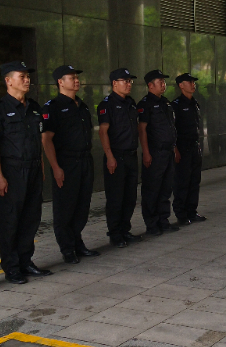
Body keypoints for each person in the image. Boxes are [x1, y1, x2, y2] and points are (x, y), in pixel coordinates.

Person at [0, 61, 53, 285]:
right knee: (10, 220)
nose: (27, 80)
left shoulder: (34, 107)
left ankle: (26, 261)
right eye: (22, 76)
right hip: (12, 171)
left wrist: (41, 168)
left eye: (27, 76)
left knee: (31, 219)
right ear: (8, 80)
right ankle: (12, 267)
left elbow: (38, 141)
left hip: (33, 169)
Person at [41, 65, 99, 265]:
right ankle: (67, 249)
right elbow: (46, 140)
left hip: (84, 161)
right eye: (71, 77)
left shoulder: (81, 105)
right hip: (66, 162)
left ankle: (77, 242)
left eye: (77, 77)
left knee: (82, 206)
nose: (76, 81)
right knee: (65, 208)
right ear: (60, 82)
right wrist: (56, 167)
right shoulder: (53, 107)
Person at [98, 68, 143, 248]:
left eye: (130, 81)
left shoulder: (131, 103)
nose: (129, 84)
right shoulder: (107, 104)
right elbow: (103, 132)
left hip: (131, 155)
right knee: (116, 198)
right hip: (116, 156)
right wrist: (109, 156)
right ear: (114, 83)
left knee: (130, 197)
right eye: (125, 81)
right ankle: (115, 233)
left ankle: (125, 229)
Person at [138, 70, 180, 236]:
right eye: (160, 82)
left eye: (164, 82)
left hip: (168, 152)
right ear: (150, 85)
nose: (163, 85)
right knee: (152, 189)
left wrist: (175, 148)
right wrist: (146, 153)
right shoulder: (145, 104)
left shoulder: (166, 103)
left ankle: (163, 220)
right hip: (154, 153)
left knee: (165, 188)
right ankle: (152, 224)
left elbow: (171, 128)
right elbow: (142, 130)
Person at [171, 73, 207, 225]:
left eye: (194, 82)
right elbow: (172, 129)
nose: (193, 84)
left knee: (194, 181)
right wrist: (175, 149)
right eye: (190, 82)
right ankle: (181, 214)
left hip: (194, 147)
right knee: (182, 181)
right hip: (182, 148)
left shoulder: (195, 103)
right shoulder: (176, 105)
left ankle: (192, 211)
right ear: (181, 85)